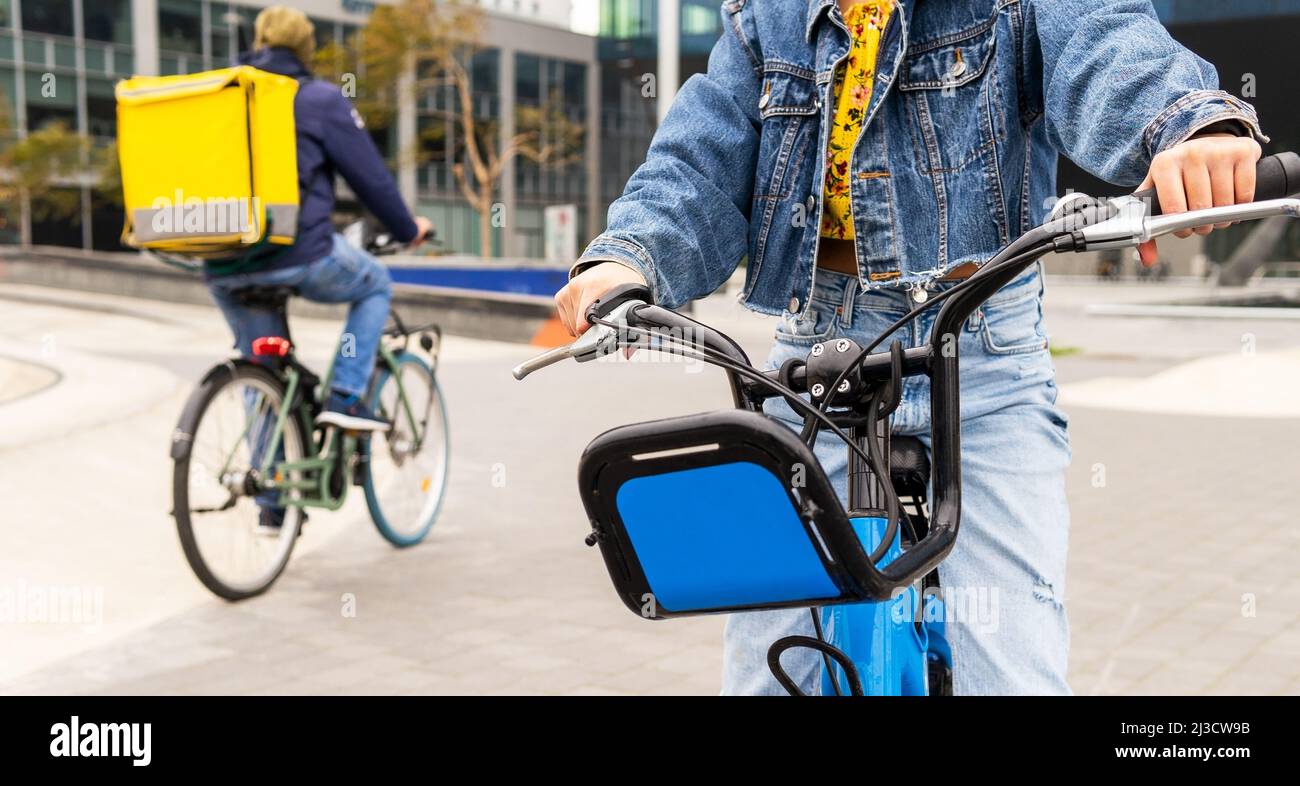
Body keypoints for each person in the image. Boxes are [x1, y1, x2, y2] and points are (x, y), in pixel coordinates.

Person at [554, 0, 1265, 694]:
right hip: (816, 364)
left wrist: (1188, 126)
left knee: (1011, 665)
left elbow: (1105, 40)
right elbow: (697, 163)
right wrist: (628, 257)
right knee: (765, 670)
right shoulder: (765, 19)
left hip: (982, 360)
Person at [205, 6, 432, 438]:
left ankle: (270, 498)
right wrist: (408, 228)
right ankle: (346, 395)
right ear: (306, 49)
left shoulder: (226, 95)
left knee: (262, 371)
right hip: (296, 250)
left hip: (222, 260)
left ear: (259, 42)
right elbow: (371, 180)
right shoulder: (316, 98)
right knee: (375, 282)